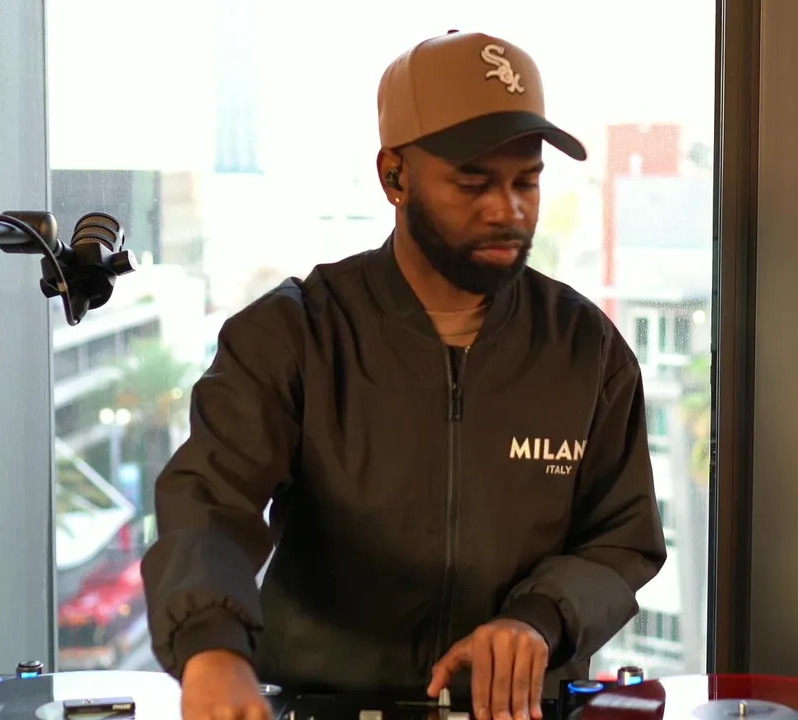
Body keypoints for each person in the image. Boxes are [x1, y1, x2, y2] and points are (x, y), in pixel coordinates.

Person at [141, 30, 668, 720]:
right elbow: (209, 505)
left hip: (516, 711)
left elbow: (621, 538)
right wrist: (212, 650)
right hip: (322, 705)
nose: (507, 209)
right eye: (473, 183)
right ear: (394, 177)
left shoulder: (585, 348)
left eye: (526, 182)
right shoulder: (294, 334)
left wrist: (538, 618)